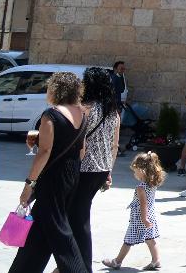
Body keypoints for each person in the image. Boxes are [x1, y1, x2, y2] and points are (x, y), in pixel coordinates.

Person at [9, 71, 88, 273]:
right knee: (39, 231)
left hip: (53, 177)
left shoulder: (51, 114)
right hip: (72, 174)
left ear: (55, 89)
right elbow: (82, 149)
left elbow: (45, 151)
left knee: (58, 228)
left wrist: (29, 184)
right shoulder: (82, 113)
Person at [69, 67, 121, 273]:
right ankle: (73, 264)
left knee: (78, 217)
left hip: (83, 168)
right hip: (101, 169)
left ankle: (82, 266)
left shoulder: (85, 108)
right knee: (79, 214)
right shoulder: (113, 112)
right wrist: (109, 171)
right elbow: (115, 145)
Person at [101, 151, 164, 271]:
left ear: (142, 170)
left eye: (135, 171)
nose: (134, 174)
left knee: (128, 241)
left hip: (140, 218)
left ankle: (117, 261)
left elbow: (143, 204)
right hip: (150, 216)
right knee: (150, 239)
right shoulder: (152, 184)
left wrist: (144, 218)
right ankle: (156, 260)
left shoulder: (141, 188)